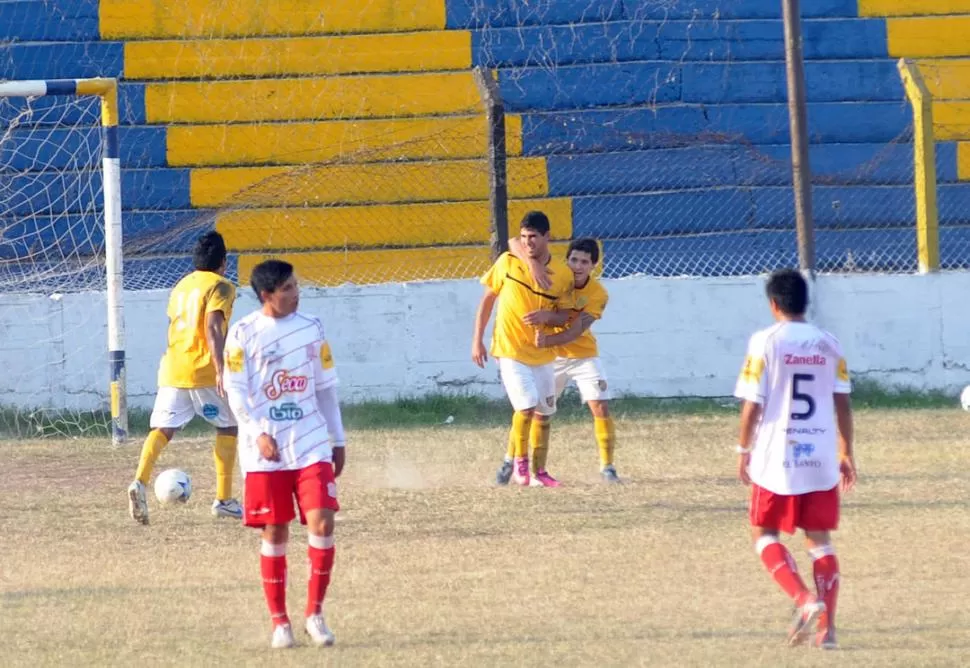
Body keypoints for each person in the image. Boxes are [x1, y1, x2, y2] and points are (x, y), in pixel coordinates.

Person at [224, 259, 346, 649]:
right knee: (275, 531)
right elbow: (237, 391)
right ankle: (280, 621)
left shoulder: (312, 328)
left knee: (322, 523)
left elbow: (326, 388)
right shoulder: (242, 333)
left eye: (296, 285)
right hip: (266, 451)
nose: (296, 292)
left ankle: (315, 614)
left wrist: (337, 439)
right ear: (266, 295)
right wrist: (258, 433)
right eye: (288, 288)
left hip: (310, 443)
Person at [734, 269, 856, 649]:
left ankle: (805, 600)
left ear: (773, 304)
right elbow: (843, 402)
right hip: (819, 456)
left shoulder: (765, 341)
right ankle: (829, 632)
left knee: (762, 532)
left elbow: (752, 404)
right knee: (819, 540)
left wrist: (743, 450)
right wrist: (846, 450)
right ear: (806, 302)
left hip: (777, 457)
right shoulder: (828, 343)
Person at [127, 231, 241, 525]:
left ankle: (139, 481)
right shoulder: (223, 286)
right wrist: (220, 368)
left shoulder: (180, 287)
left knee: (163, 429)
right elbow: (213, 326)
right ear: (223, 263)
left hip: (173, 367)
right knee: (229, 426)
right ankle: (224, 500)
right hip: (203, 368)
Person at [505, 236, 620, 483]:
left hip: (582, 355)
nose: (578, 266)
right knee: (531, 410)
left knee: (600, 405)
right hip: (550, 358)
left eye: (584, 262)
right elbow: (514, 241)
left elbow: (575, 330)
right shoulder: (555, 276)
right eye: (574, 260)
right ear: (566, 260)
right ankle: (510, 459)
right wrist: (533, 264)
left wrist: (547, 340)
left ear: (594, 266)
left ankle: (607, 467)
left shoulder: (598, 294)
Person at [472, 211, 574, 487]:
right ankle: (520, 467)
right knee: (526, 405)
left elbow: (565, 315)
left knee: (544, 413)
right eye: (525, 237)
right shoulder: (508, 261)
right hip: (510, 349)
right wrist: (477, 339)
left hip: (541, 354)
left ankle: (536, 470)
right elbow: (487, 300)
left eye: (534, 238)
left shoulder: (562, 275)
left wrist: (547, 319)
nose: (528, 243)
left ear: (547, 238)